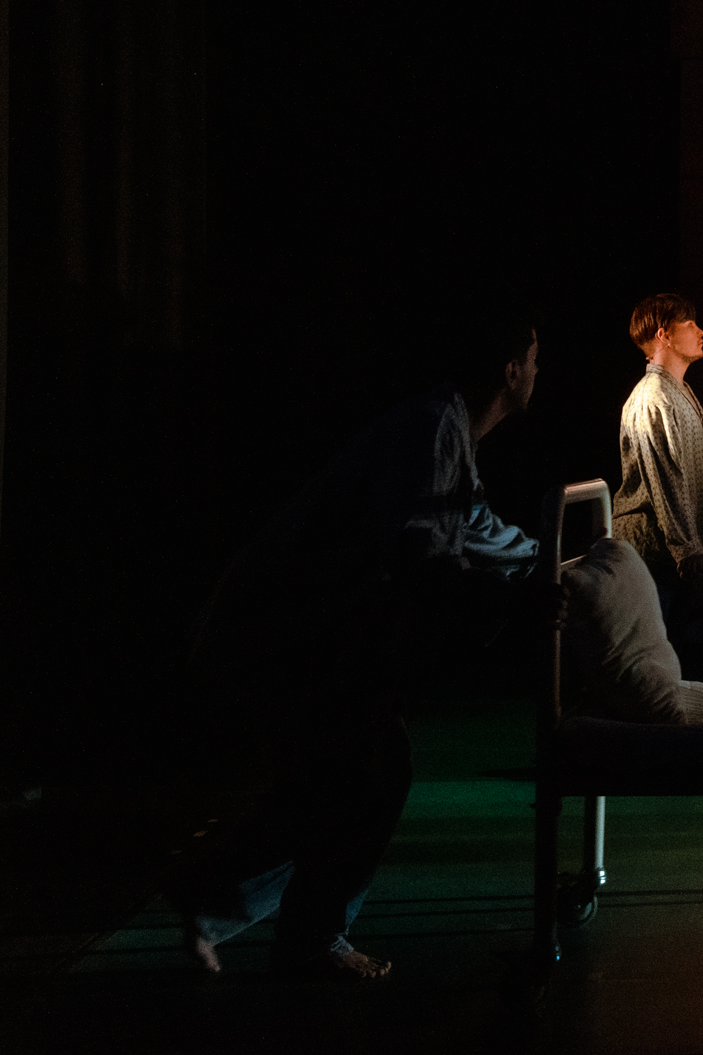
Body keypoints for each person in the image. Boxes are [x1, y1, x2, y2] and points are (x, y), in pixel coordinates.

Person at [179, 313, 561, 980]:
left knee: (353, 776)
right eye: (532, 359)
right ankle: (275, 924)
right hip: (285, 632)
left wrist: (553, 562)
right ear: (509, 371)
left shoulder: (446, 430)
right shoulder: (434, 431)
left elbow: (474, 527)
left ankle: (228, 902)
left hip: (299, 631)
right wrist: (517, 598)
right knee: (364, 775)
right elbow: (423, 561)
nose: (537, 372)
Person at [613, 293, 703, 678]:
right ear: (664, 334)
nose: (700, 331)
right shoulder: (652, 396)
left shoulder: (679, 391)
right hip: (653, 550)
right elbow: (664, 473)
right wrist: (685, 544)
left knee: (669, 647)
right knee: (649, 653)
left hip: (672, 552)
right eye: (689, 324)